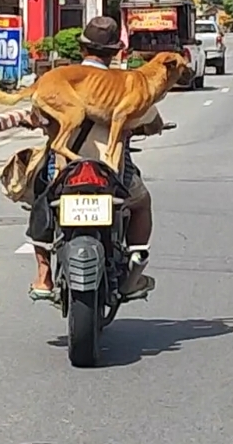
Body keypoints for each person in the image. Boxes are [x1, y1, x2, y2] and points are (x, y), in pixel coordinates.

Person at [29, 16, 165, 301]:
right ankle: (134, 271)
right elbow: (152, 121)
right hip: (112, 173)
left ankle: (43, 274)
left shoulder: (63, 78)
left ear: (81, 49)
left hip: (65, 168)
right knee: (142, 203)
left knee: (39, 197)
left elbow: (38, 115)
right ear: (116, 53)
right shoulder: (130, 84)